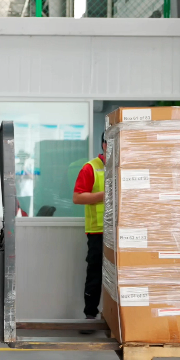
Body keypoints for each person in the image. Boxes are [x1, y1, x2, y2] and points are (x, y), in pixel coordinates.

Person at [73, 132, 107, 328]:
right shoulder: (91, 167)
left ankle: (117, 315)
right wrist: (105, 194)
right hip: (98, 231)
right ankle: (90, 315)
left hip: (123, 232)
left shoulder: (126, 166)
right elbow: (77, 197)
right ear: (104, 145)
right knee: (95, 273)